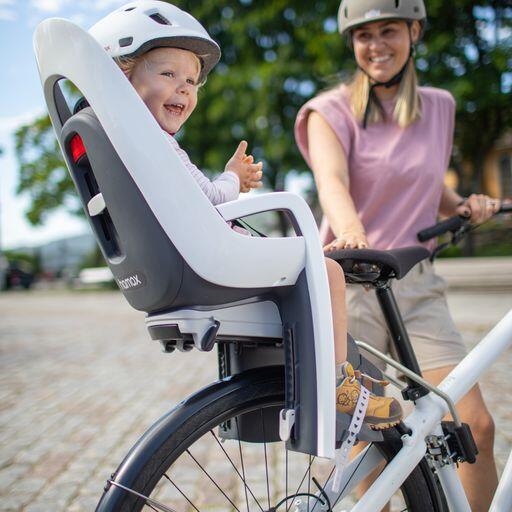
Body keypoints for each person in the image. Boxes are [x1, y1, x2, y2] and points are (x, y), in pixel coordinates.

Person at [90, 1, 402, 432]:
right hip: (205, 257)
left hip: (177, 260)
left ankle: (327, 370)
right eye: (167, 75)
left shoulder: (125, 141)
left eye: (191, 81)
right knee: (325, 270)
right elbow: (213, 199)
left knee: (309, 268)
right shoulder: (156, 144)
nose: (183, 89)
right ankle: (336, 386)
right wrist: (233, 177)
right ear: (124, 78)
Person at [294, 0, 500, 510]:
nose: (376, 44)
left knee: (472, 424)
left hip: (416, 282)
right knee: (374, 441)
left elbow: (427, 186)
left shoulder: (440, 107)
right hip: (354, 280)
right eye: (364, 35)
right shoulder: (328, 111)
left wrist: (466, 204)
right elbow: (333, 183)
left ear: (414, 32)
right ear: (352, 44)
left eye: (389, 31)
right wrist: (353, 232)